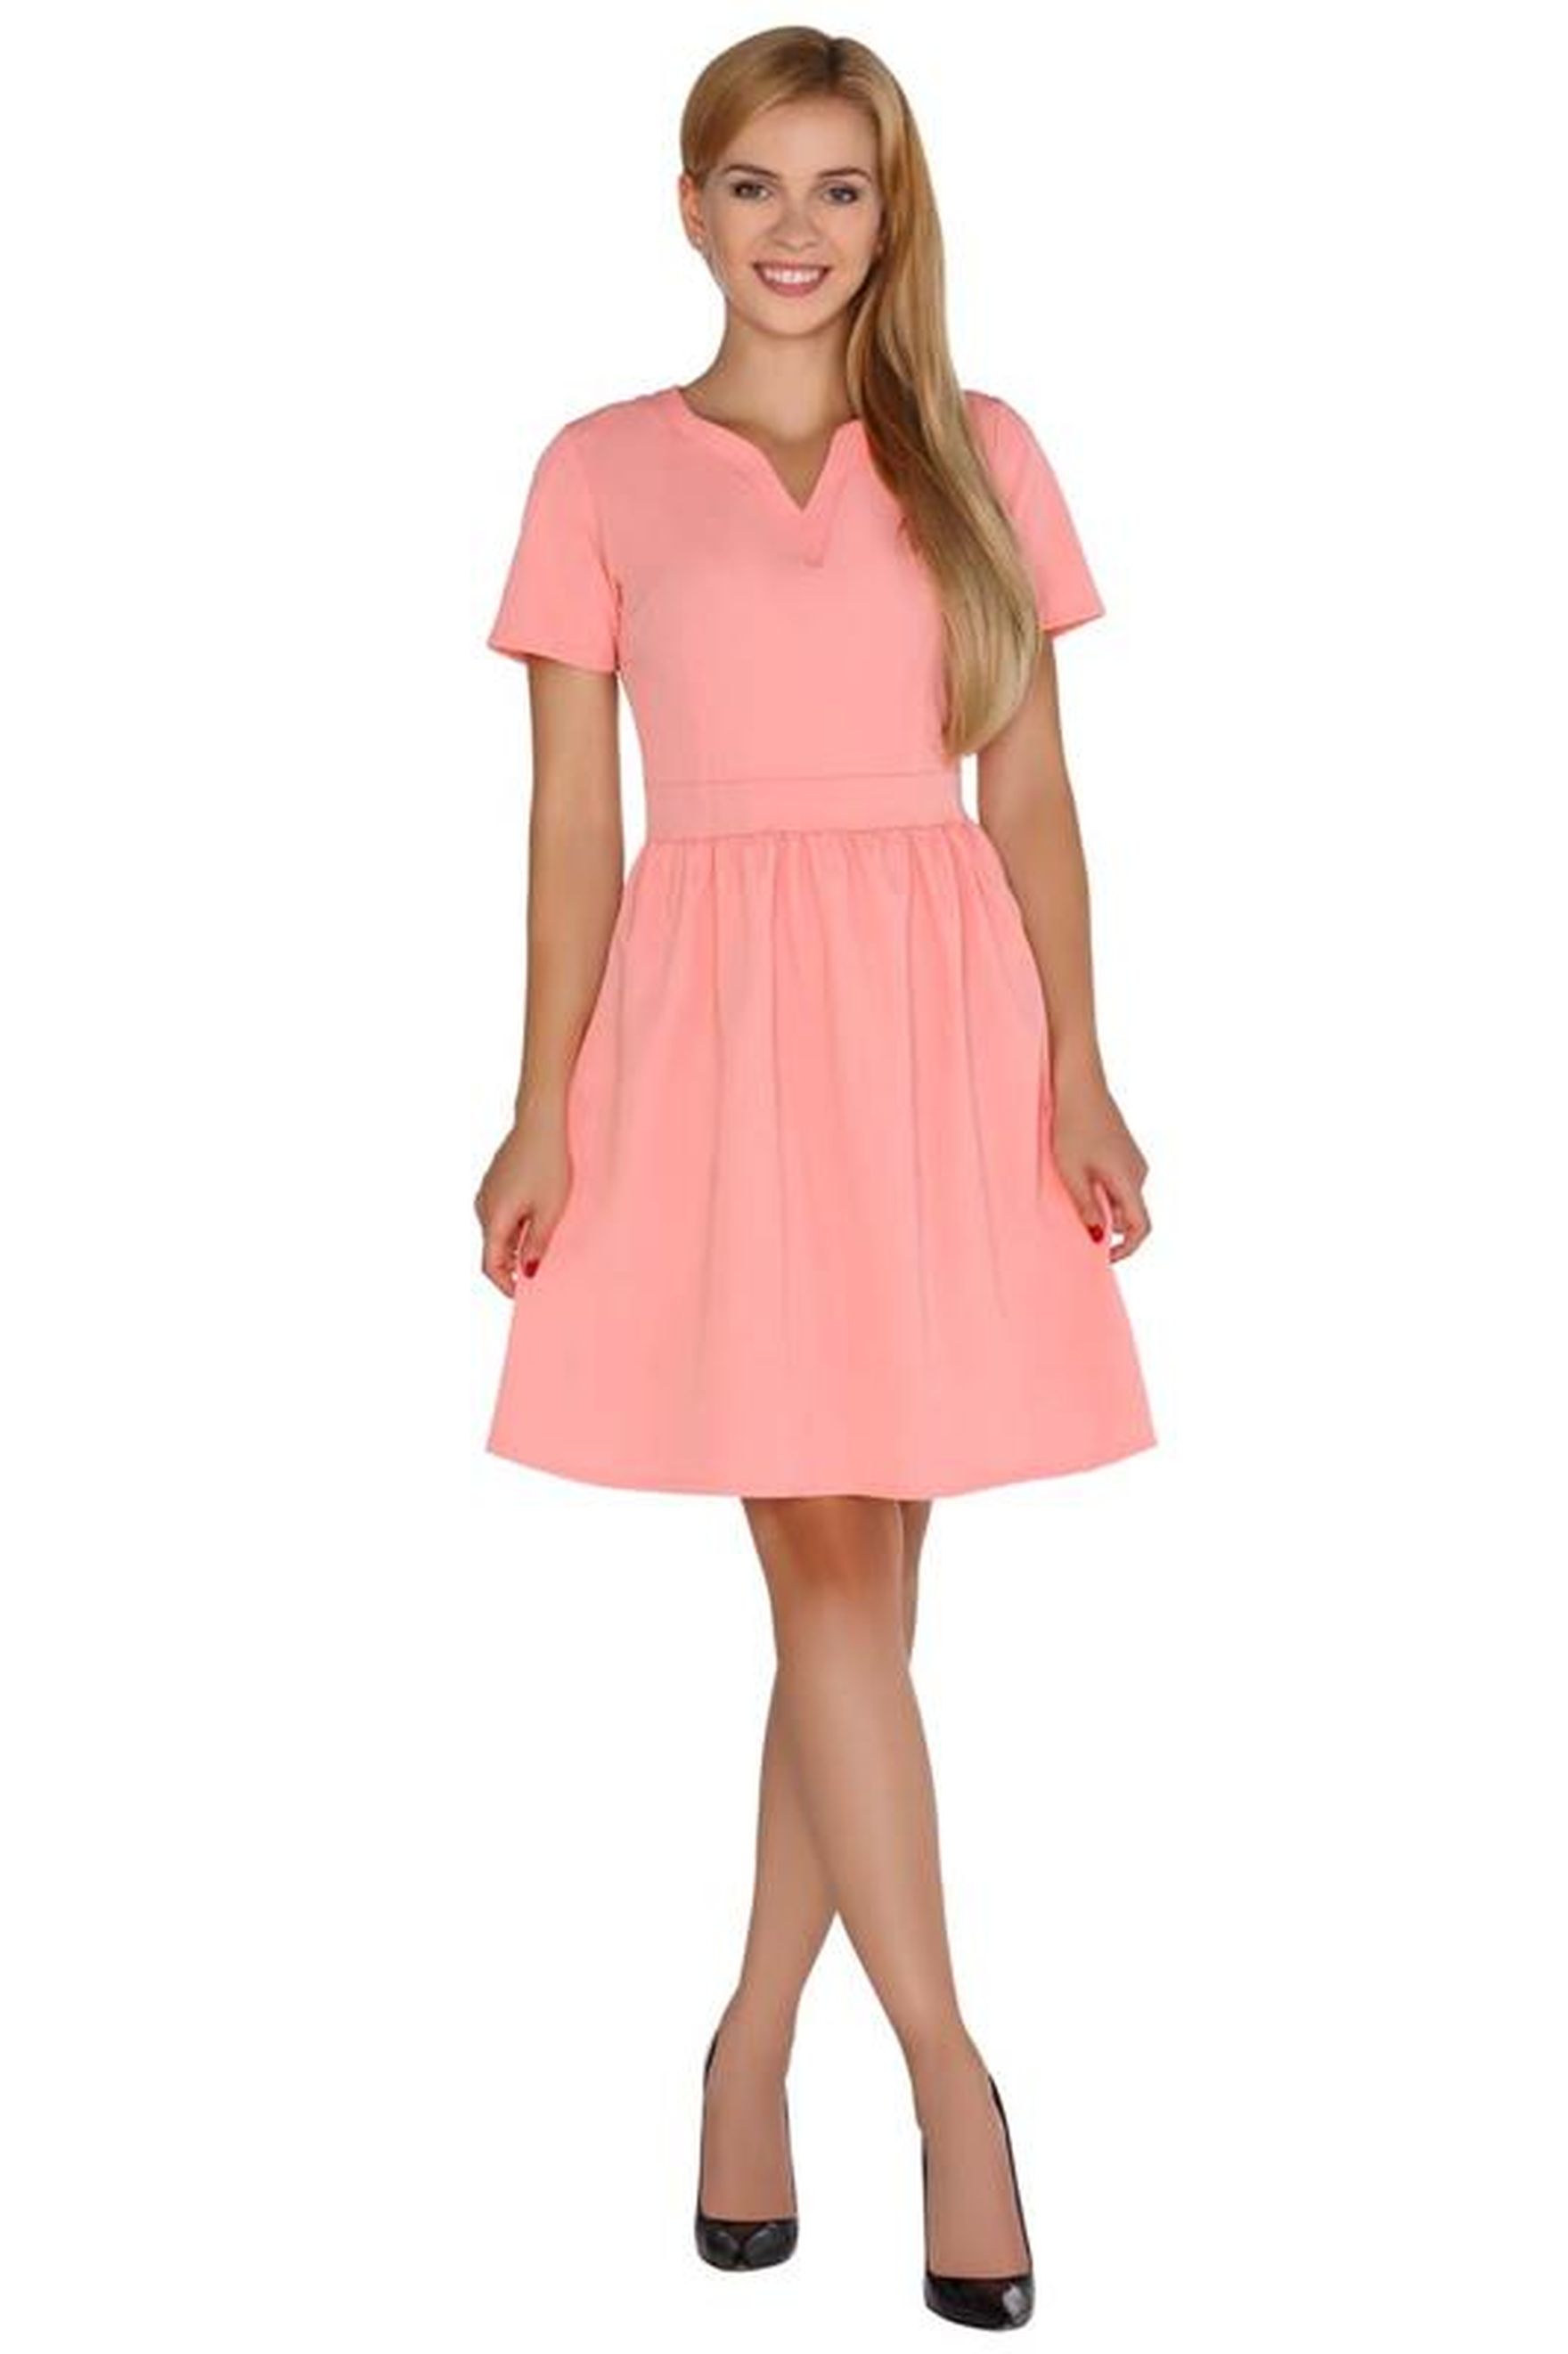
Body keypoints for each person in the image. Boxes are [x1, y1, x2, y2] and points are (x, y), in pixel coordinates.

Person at [473, 26, 1156, 2330]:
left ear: (893, 213)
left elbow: (1032, 791)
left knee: (859, 1587)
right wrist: (543, 1100)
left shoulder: (983, 449)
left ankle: (751, 2043)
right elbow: (573, 823)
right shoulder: (596, 469)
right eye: (754, 186)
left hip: (940, 1021)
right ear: (689, 207)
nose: (796, 230)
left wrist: (1082, 1068)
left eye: (840, 189)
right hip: (716, 1034)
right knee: (831, 1567)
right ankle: (952, 2079)